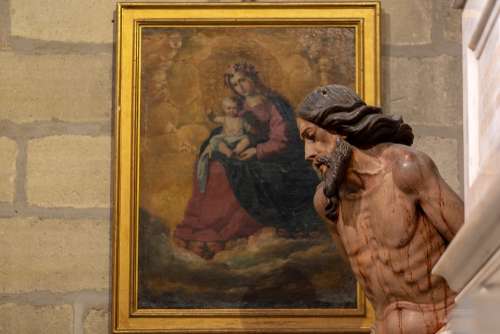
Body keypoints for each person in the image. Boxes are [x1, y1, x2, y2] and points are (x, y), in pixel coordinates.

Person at [296, 84, 464, 334]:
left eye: (312, 137)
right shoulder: (328, 203)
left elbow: (476, 250)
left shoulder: (405, 169)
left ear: (340, 128)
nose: (308, 154)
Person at [174, 62, 322, 259]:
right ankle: (206, 227)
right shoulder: (239, 105)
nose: (240, 87)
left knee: (235, 171)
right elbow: (231, 128)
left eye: (242, 80)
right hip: (244, 151)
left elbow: (282, 140)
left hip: (275, 157)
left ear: (253, 78)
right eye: (235, 84)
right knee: (215, 164)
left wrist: (256, 150)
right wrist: (215, 144)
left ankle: (230, 229)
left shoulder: (274, 104)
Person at [197, 96, 252, 193]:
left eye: (234, 108)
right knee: (215, 141)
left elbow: (249, 129)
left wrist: (251, 128)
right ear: (224, 109)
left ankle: (236, 151)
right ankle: (228, 152)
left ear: (238, 108)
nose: (231, 110)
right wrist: (210, 114)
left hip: (238, 139)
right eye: (228, 108)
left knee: (247, 139)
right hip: (226, 139)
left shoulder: (242, 119)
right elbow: (214, 119)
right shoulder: (224, 119)